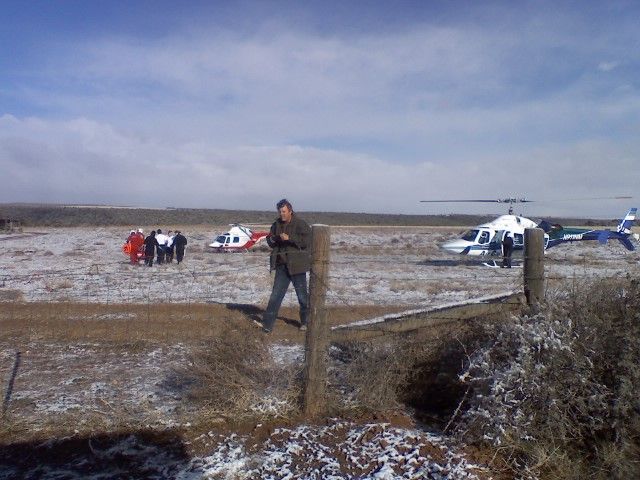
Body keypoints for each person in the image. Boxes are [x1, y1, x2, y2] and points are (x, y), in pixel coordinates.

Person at [260, 198, 310, 333]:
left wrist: (290, 239)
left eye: (284, 211)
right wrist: (276, 238)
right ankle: (267, 326)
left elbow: (306, 242)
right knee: (275, 296)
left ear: (290, 211)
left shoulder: (300, 224)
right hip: (282, 265)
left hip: (297, 266)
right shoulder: (276, 224)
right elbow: (270, 241)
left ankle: (305, 322)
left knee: (302, 297)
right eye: (280, 211)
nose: (281, 214)